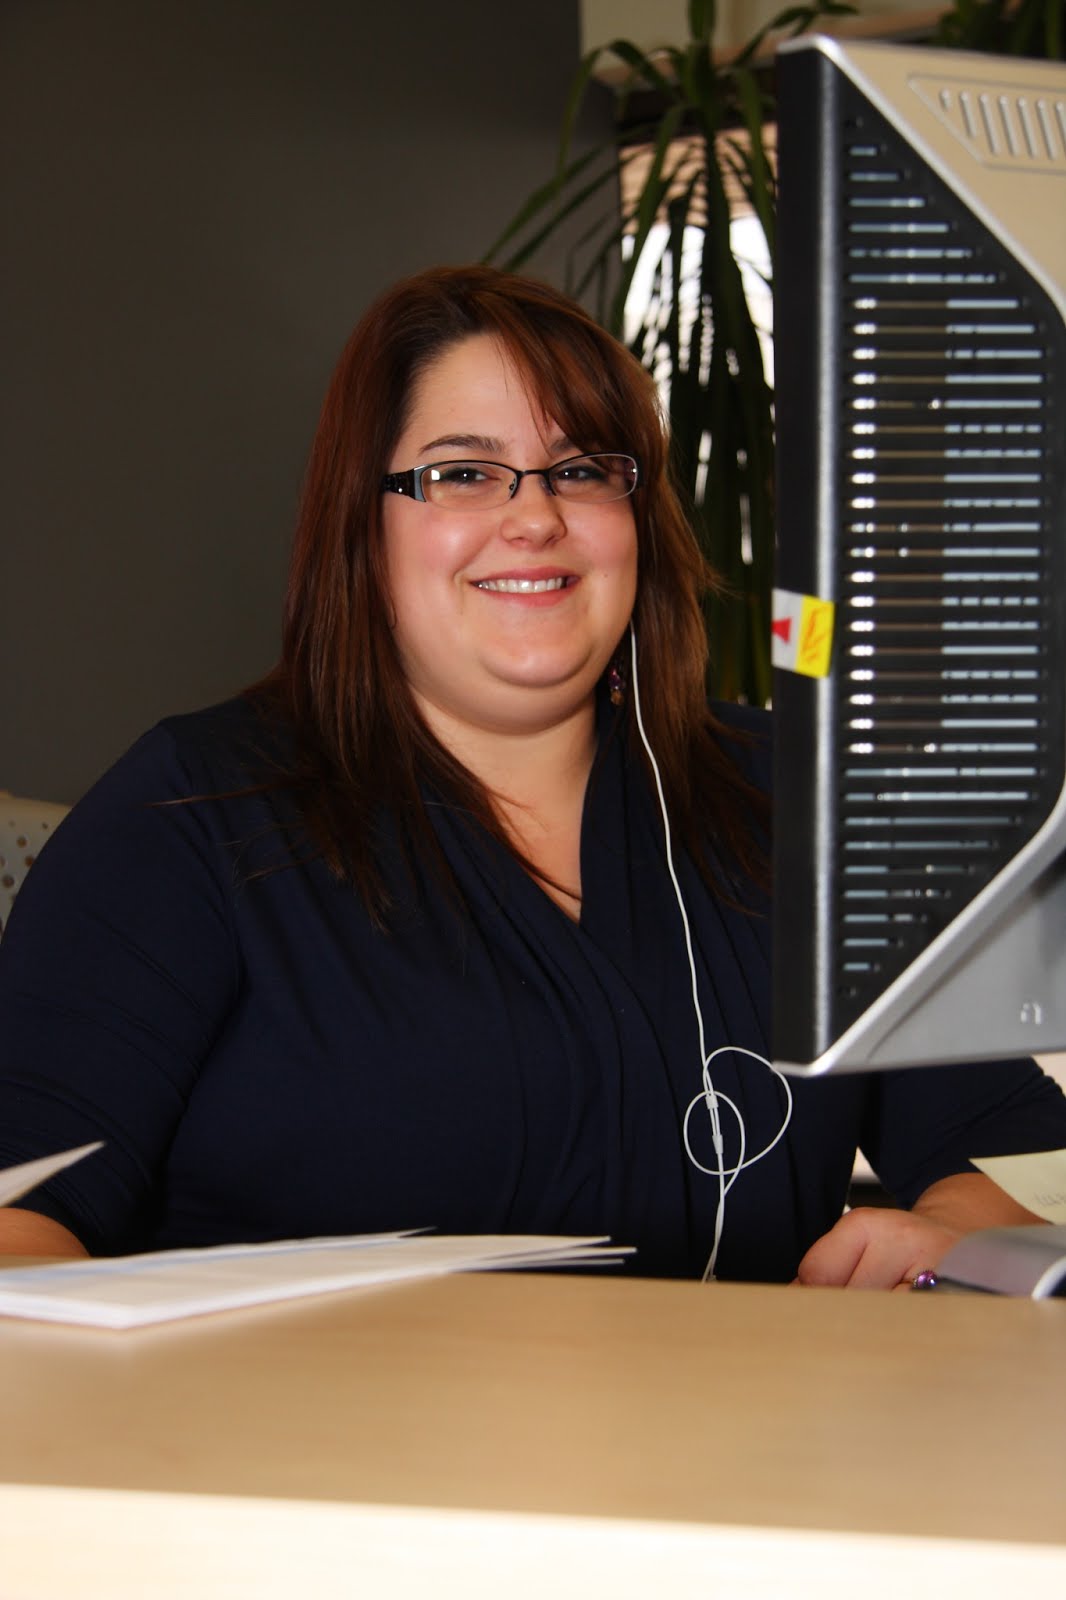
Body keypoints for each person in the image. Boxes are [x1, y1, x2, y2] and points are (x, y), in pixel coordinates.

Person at [1, 265, 1063, 1288]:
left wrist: (948, 1247)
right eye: (463, 473)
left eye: (583, 469)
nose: (535, 516)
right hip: (305, 1418)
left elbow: (1001, 1171)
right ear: (363, 524)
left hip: (744, 1417)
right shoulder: (192, 811)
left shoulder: (797, 804)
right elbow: (19, 1221)